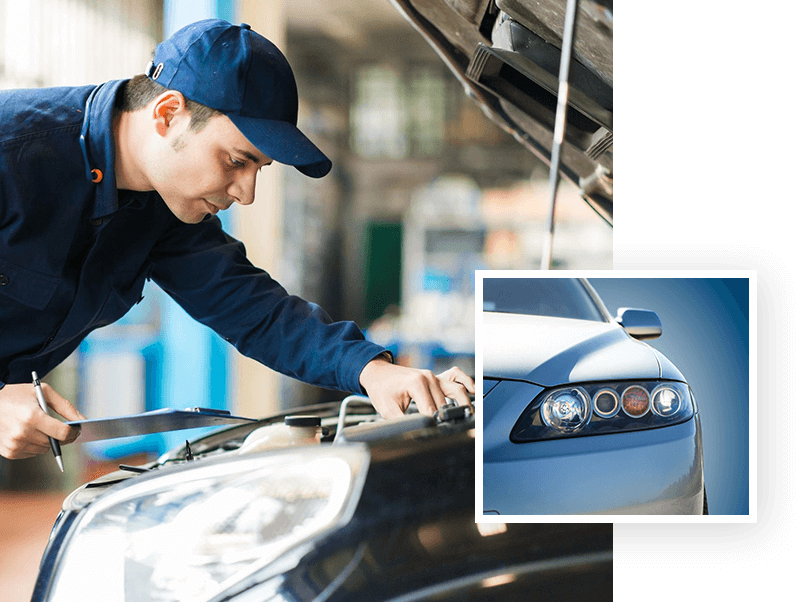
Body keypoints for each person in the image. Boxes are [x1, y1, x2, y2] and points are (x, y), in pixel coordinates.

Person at [0, 19, 474, 462]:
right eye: (234, 161)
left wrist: (371, 370)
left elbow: (256, 311)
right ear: (168, 114)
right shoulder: (12, 154)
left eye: (258, 170)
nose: (245, 194)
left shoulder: (162, 209)